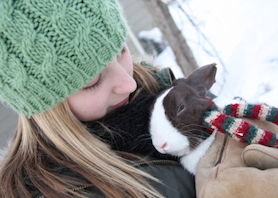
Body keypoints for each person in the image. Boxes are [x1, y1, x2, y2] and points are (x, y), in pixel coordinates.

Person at [0, 0, 195, 197]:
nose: (129, 84)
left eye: (121, 51)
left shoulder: (162, 85)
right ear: (45, 106)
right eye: (92, 82)